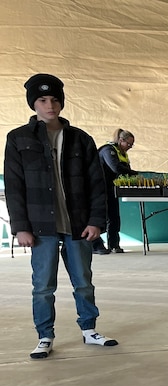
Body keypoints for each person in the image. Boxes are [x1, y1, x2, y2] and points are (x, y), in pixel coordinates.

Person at [4, 73, 118, 359]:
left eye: (54, 99)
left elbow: (97, 184)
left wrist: (96, 221)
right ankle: (44, 335)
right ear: (34, 104)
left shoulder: (81, 139)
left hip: (78, 225)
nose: (49, 105)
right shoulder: (18, 139)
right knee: (43, 286)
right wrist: (20, 228)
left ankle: (89, 329)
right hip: (40, 227)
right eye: (42, 100)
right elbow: (14, 187)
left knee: (83, 281)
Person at [93, 129, 138, 254]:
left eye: (131, 145)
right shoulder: (108, 150)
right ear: (121, 140)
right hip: (99, 188)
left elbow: (125, 169)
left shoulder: (122, 153)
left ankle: (114, 245)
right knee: (101, 217)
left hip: (112, 188)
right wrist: (135, 173)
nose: (130, 147)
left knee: (114, 217)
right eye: (128, 144)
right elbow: (116, 168)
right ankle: (95, 244)